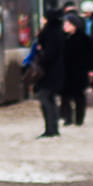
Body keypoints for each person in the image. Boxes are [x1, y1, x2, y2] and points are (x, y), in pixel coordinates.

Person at [33, 9, 65, 138]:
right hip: (57, 71)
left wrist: (40, 59)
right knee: (51, 99)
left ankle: (50, 128)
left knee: (45, 98)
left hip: (47, 72)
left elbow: (48, 54)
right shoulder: (59, 31)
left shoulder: (49, 33)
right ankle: (54, 127)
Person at [60, 13, 93, 126]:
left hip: (79, 71)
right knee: (65, 96)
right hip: (65, 71)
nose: (65, 26)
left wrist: (91, 69)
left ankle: (79, 118)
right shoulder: (62, 38)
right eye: (65, 24)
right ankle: (67, 117)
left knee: (78, 96)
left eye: (68, 24)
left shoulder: (84, 38)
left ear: (75, 25)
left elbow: (91, 55)